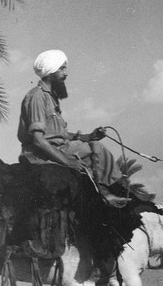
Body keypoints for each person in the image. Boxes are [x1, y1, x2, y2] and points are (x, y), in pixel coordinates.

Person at [17, 49, 126, 204]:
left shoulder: (51, 98)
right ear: (50, 71)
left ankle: (110, 191)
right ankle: (105, 193)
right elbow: (38, 140)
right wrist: (67, 162)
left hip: (61, 147)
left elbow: (59, 133)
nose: (66, 73)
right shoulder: (37, 97)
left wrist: (88, 136)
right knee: (96, 149)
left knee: (95, 145)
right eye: (62, 69)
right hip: (41, 155)